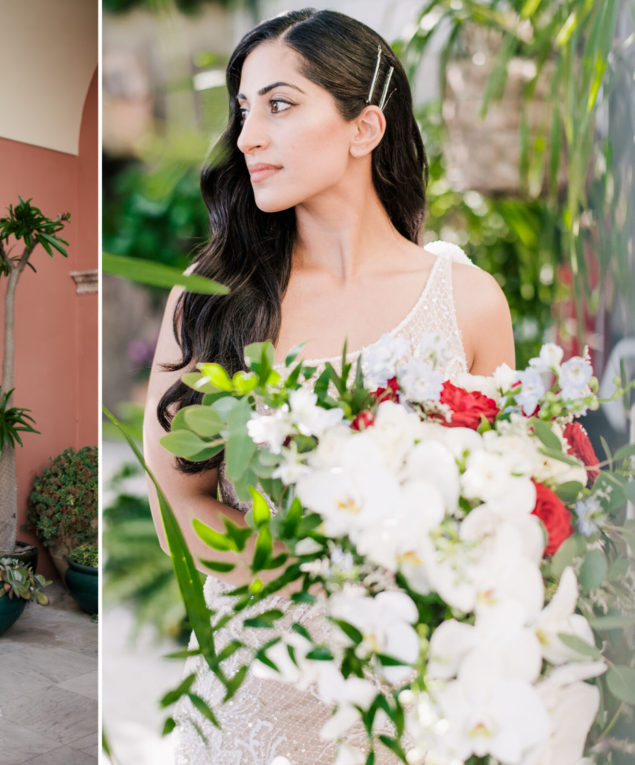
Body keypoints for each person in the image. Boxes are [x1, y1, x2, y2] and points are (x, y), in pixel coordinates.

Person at [142, 9, 514, 765]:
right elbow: (178, 496)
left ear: (364, 126)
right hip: (254, 690)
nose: (248, 136)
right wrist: (313, 585)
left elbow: (503, 514)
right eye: (244, 110)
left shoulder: (470, 303)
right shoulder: (211, 299)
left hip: (418, 694)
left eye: (279, 104)